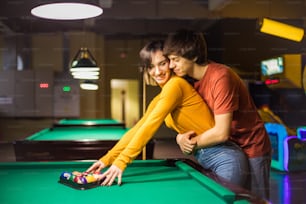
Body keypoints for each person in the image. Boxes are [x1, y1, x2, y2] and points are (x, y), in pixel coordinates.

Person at [85, 40, 248, 187]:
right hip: (206, 155)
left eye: (162, 63)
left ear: (170, 63)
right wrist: (106, 159)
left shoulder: (175, 85)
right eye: (151, 67)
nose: (157, 72)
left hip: (225, 157)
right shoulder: (160, 97)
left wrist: (122, 162)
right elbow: (138, 128)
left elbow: (151, 126)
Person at [163, 29, 272, 199]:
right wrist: (180, 138)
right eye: (169, 60)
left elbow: (221, 132)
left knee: (255, 200)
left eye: (175, 60)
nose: (170, 66)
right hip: (227, 149)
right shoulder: (188, 82)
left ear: (192, 56)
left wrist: (190, 144)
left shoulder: (221, 77)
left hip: (251, 146)